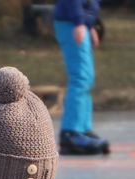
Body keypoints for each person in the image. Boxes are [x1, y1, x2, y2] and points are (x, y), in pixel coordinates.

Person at [53, 0, 109, 155]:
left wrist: (90, 26)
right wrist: (78, 22)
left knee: (87, 78)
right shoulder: (75, 21)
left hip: (79, 22)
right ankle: (71, 132)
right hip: (71, 22)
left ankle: (83, 128)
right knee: (80, 78)